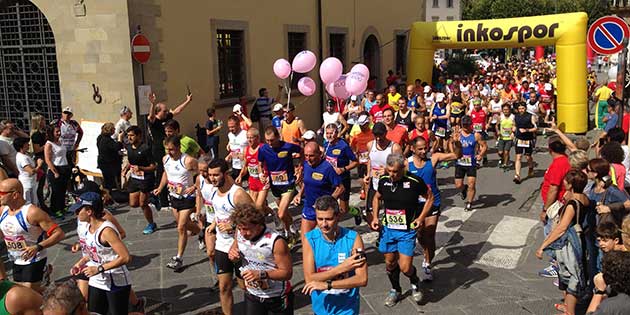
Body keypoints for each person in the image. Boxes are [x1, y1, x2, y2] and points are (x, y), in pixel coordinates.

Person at [370, 153, 434, 306]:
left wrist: (420, 218)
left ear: (403, 168)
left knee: (405, 267)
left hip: (406, 231)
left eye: (396, 172)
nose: (392, 175)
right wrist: (374, 217)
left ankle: (414, 280)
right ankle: (395, 290)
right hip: (388, 230)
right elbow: (376, 197)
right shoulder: (384, 180)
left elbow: (430, 198)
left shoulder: (414, 181)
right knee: (390, 263)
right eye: (390, 170)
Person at [301, 196, 367, 315]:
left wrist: (327, 285)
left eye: (329, 219)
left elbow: (362, 279)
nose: (324, 224)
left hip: (347, 309)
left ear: (338, 217)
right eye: (319, 219)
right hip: (322, 309)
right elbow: (310, 279)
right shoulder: (310, 239)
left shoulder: (353, 238)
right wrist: (341, 268)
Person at [69, 192, 132, 315]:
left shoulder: (106, 231)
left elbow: (125, 257)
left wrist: (99, 268)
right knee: (94, 312)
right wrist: (80, 263)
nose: (76, 213)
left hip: (115, 281)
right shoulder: (87, 228)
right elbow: (93, 252)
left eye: (78, 210)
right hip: (97, 279)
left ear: (89, 211)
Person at [205, 158, 254, 315]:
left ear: (225, 174)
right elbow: (220, 213)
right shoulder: (214, 190)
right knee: (224, 286)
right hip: (222, 245)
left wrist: (233, 226)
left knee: (244, 285)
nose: (212, 178)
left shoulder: (237, 193)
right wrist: (213, 223)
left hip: (240, 246)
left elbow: (255, 218)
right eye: (210, 175)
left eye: (216, 175)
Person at [536, 170, 589, 315]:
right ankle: (567, 306)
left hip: (569, 244)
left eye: (566, 180)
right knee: (566, 275)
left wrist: (543, 246)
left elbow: (561, 228)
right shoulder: (584, 197)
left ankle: (570, 311)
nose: (563, 182)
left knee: (571, 277)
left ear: (570, 185)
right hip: (578, 241)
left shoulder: (572, 204)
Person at [407, 136, 460, 281]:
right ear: (413, 149)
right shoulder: (407, 164)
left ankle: (428, 263)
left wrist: (456, 143)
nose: (424, 151)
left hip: (433, 202)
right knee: (420, 235)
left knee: (429, 234)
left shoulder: (434, 158)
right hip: (415, 205)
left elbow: (456, 155)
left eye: (426, 148)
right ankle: (426, 250)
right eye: (420, 149)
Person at [0, 178, 64, 293]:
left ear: (15, 195)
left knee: (28, 294)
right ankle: (49, 286)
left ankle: (52, 290)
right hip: (16, 259)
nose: (0, 196)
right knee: (23, 293)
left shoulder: (32, 212)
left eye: (2, 193)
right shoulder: (2, 211)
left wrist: (38, 247)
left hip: (35, 259)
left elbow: (58, 233)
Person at [227, 203, 293, 315]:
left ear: (259, 225)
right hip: (253, 294)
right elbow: (233, 249)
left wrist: (262, 274)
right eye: (240, 228)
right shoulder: (240, 233)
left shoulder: (276, 241)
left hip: (277, 296)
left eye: (247, 229)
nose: (243, 233)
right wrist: (232, 255)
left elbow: (287, 273)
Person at [153, 135, 200, 270]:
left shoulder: (188, 160)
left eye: (172, 149)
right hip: (174, 196)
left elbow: (203, 172)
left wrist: (194, 186)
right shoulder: (165, 159)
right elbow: (166, 174)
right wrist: (160, 188)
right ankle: (201, 232)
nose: (169, 152)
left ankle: (178, 258)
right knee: (184, 225)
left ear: (179, 147)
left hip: (187, 198)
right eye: (167, 149)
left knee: (181, 227)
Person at [257, 127, 302, 242]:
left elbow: (301, 151)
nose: (269, 143)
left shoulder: (287, 146)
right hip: (275, 185)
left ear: (278, 137)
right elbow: (260, 164)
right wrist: (261, 174)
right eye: (267, 140)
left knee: (281, 214)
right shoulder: (263, 149)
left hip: (288, 184)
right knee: (284, 212)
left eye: (272, 140)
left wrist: (299, 168)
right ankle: (293, 227)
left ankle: (288, 235)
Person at [148, 91, 193, 206]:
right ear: (158, 111)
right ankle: (162, 200)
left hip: (169, 148)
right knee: (161, 173)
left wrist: (187, 101)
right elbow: (151, 116)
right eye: (164, 110)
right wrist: (152, 103)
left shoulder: (167, 117)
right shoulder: (154, 121)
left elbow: (177, 111)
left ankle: (172, 193)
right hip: (159, 150)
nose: (167, 112)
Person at [537, 140, 572, 278]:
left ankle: (556, 265)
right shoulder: (564, 160)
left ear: (550, 149)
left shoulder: (559, 164)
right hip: (556, 204)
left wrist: (545, 210)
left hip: (554, 206)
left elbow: (554, 188)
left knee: (551, 234)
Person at [295, 142, 344, 237]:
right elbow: (307, 181)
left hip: (324, 211)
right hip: (309, 207)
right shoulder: (306, 164)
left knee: (325, 240)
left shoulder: (327, 168)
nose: (308, 158)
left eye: (311, 156)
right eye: (306, 155)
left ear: (319, 154)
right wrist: (299, 194)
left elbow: (341, 188)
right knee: (305, 239)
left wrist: (327, 202)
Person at [123, 126, 157, 235]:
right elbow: (131, 161)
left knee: (142, 204)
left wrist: (141, 168)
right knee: (133, 204)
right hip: (134, 178)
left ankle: (151, 224)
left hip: (146, 178)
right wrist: (126, 169)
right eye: (128, 135)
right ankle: (152, 198)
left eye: (132, 135)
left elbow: (153, 166)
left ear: (139, 136)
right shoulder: (128, 147)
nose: (129, 138)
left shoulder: (145, 148)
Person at [365, 123, 402, 217]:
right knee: (369, 213)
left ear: (385, 133)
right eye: (375, 135)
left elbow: (402, 167)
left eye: (380, 135)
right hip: (375, 183)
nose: (378, 139)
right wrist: (368, 174)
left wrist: (387, 171)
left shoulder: (394, 147)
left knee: (391, 214)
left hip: (390, 184)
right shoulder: (370, 145)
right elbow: (370, 159)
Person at [453, 116, 487, 211]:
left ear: (470, 124)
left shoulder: (475, 135)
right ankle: (464, 189)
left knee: (472, 184)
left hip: (471, 163)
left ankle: (469, 202)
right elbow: (451, 145)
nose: (465, 127)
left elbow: (484, 146)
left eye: (467, 125)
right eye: (464, 125)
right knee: (458, 185)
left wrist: (480, 155)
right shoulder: (458, 134)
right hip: (460, 162)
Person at [323, 124, 358, 214]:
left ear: (337, 133)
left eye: (331, 133)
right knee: (329, 205)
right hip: (330, 180)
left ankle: (356, 212)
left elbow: (355, 162)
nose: (329, 136)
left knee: (344, 210)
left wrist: (343, 169)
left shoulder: (343, 146)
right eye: (327, 133)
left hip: (342, 179)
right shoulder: (326, 144)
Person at [195, 156, 218, 278]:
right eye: (200, 170)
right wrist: (199, 210)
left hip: (223, 220)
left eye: (205, 171)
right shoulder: (199, 179)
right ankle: (217, 274)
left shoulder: (220, 180)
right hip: (210, 220)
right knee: (210, 252)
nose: (203, 174)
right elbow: (199, 195)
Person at [44, 124, 70, 218]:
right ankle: (55, 209)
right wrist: (55, 172)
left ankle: (62, 207)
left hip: (64, 167)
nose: (59, 133)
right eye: (57, 132)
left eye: (59, 131)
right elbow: (47, 159)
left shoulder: (60, 141)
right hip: (56, 168)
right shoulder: (49, 144)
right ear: (52, 133)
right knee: (56, 191)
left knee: (63, 189)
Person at [14, 137, 43, 205]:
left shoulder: (25, 154)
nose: (29, 145)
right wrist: (39, 165)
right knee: (28, 204)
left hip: (32, 183)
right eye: (27, 144)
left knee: (34, 202)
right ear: (22, 146)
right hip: (27, 184)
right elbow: (31, 171)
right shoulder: (22, 158)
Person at [350, 115, 373, 201]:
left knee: (369, 178)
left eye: (363, 125)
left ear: (367, 124)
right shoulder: (357, 136)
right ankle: (363, 190)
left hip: (371, 161)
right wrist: (355, 153)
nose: (361, 127)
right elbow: (352, 146)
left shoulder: (373, 134)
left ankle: (369, 194)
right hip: (361, 161)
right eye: (360, 125)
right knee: (361, 178)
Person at [513, 102, 537, 183]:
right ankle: (517, 175)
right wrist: (513, 131)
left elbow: (535, 128)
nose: (521, 110)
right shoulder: (516, 116)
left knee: (528, 157)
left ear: (525, 108)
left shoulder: (531, 116)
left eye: (522, 108)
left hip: (528, 139)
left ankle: (530, 166)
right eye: (519, 109)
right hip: (519, 138)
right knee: (518, 157)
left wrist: (527, 130)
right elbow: (514, 125)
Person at [96, 122, 123, 191]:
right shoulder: (107, 140)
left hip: (102, 162)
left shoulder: (100, 137)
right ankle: (111, 195)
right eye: (113, 129)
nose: (115, 130)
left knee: (107, 180)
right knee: (110, 182)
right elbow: (117, 147)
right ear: (110, 130)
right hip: (108, 163)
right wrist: (120, 138)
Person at [30, 114, 48, 211]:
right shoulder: (36, 135)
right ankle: (40, 204)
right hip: (40, 158)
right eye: (42, 120)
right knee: (40, 183)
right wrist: (46, 145)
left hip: (45, 157)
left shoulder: (43, 132)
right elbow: (37, 150)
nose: (44, 122)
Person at [226, 115, 249, 180]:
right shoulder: (230, 135)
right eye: (229, 127)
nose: (231, 129)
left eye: (233, 127)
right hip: (235, 166)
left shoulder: (246, 134)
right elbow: (233, 148)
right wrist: (229, 155)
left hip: (245, 166)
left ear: (238, 125)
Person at [497, 104, 515, 170]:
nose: (505, 111)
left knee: (506, 152)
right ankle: (503, 158)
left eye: (507, 109)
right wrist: (498, 131)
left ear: (510, 110)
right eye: (504, 110)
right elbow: (497, 125)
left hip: (509, 138)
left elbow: (515, 126)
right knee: (500, 152)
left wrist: (512, 131)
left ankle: (505, 164)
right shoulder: (500, 117)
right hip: (502, 137)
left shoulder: (513, 117)